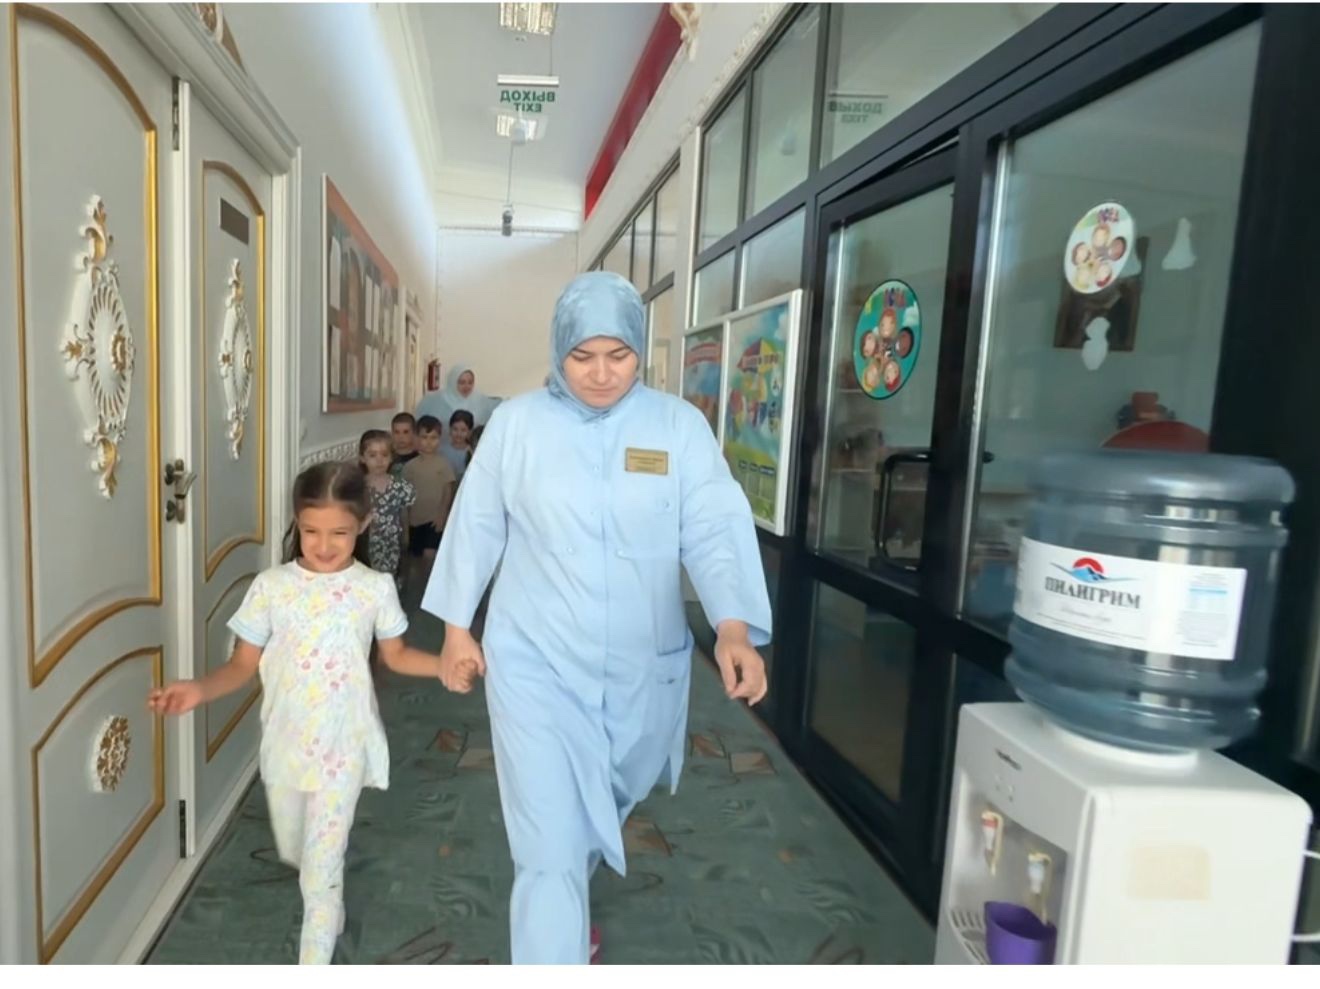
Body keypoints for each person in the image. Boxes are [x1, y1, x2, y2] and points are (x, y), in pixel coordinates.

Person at [422, 271, 772, 965]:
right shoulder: (519, 424)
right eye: (583, 356)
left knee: (596, 810)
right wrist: (457, 627)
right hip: (535, 664)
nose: (602, 373)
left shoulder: (677, 426)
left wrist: (732, 625)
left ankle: (565, 907)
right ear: (559, 350)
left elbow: (713, 526)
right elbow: (478, 522)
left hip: (643, 668)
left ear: (641, 350)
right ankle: (553, 943)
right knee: (548, 845)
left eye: (620, 355)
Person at [147, 462, 475, 964]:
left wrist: (443, 667)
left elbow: (396, 656)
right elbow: (241, 666)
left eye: (339, 533)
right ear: (297, 524)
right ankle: (325, 895)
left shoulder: (373, 588)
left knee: (322, 867)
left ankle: (317, 939)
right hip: (287, 743)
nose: (323, 545)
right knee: (298, 850)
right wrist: (198, 690)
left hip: (344, 743)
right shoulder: (272, 587)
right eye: (311, 531)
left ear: (363, 524)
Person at [402, 415, 458, 584]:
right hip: (415, 520)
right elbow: (405, 498)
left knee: (430, 555)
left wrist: (442, 515)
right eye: (424, 437)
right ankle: (418, 585)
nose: (428, 442)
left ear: (440, 439)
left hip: (434, 519)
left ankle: (431, 585)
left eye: (433, 438)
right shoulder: (409, 467)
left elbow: (447, 491)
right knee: (416, 556)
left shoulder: (444, 464)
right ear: (416, 438)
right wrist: (405, 525)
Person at [359, 429, 414, 591]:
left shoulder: (400, 486)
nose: (379, 460)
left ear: (391, 457)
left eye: (384, 455)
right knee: (368, 582)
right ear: (362, 458)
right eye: (373, 455)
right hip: (367, 544)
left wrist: (406, 536)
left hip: (392, 543)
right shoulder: (358, 487)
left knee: (388, 582)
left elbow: (404, 512)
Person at [416, 363, 499, 428]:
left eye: (470, 382)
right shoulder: (435, 400)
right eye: (462, 382)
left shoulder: (481, 402)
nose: (466, 386)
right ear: (453, 382)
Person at [441, 410, 474, 480]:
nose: (459, 434)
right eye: (455, 429)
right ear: (450, 429)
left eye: (463, 430)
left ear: (469, 432)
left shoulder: (471, 453)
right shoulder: (441, 450)